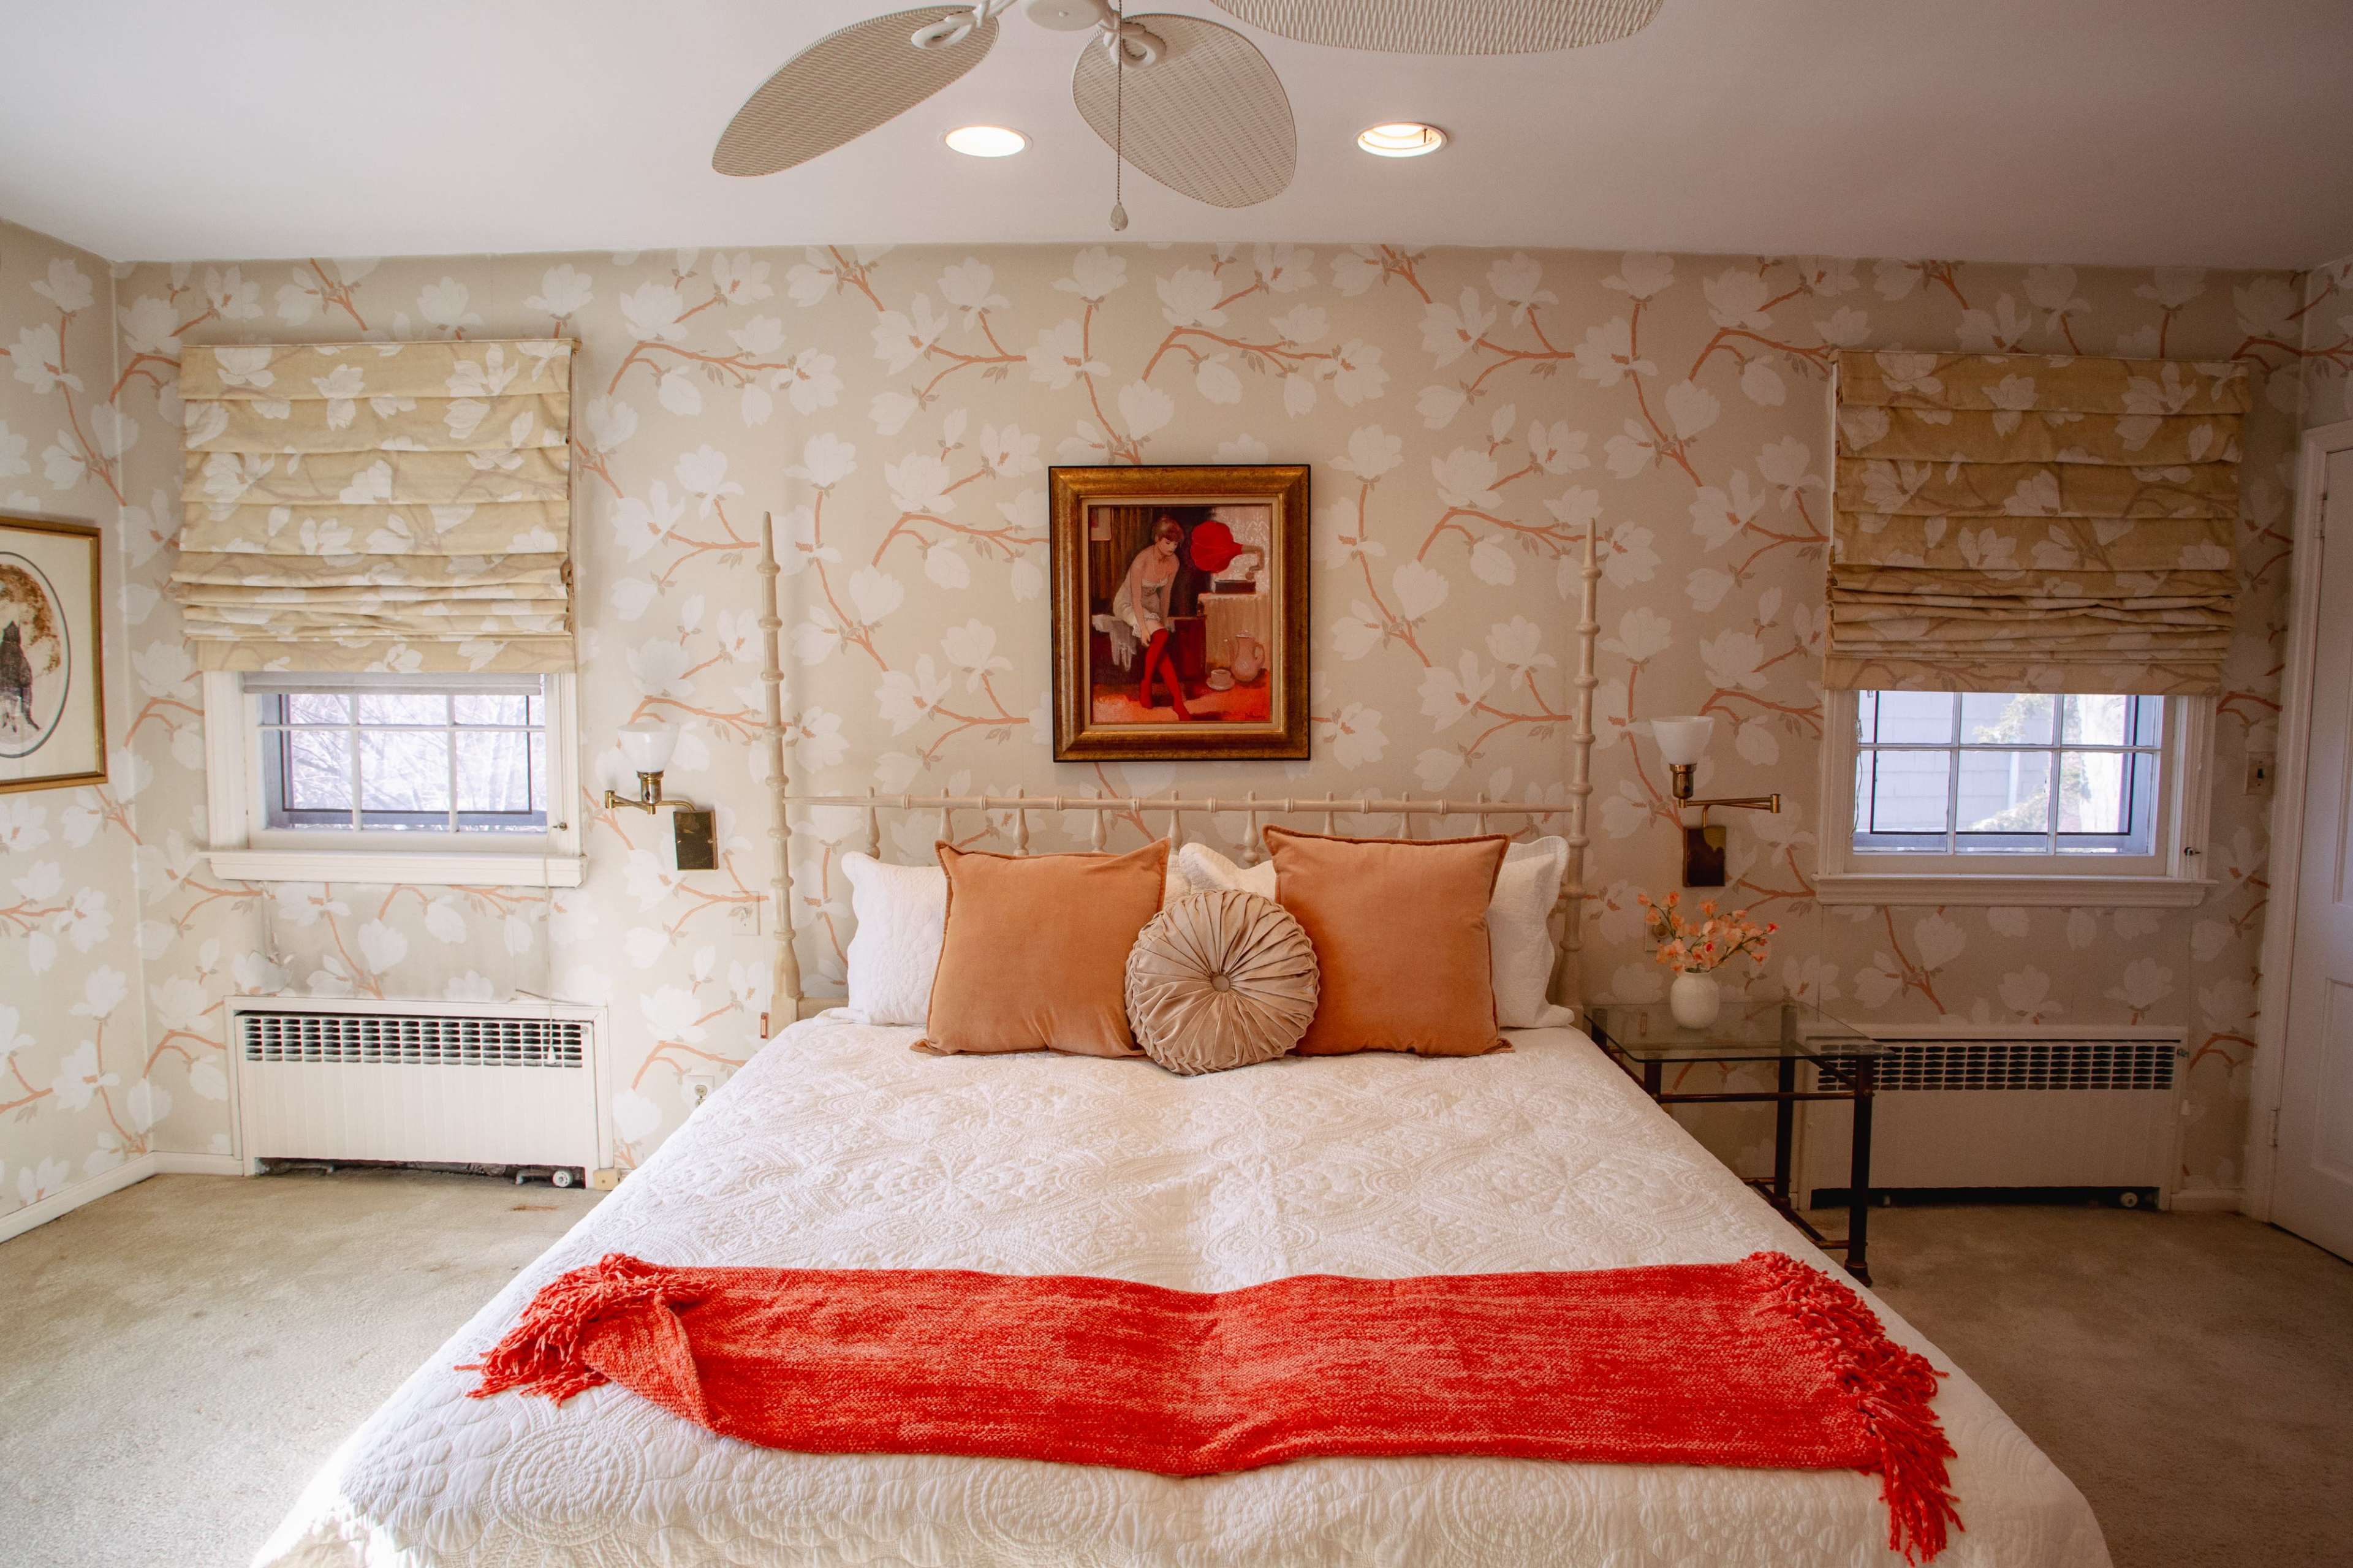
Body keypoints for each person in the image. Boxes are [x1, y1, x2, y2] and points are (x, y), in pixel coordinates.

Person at [1110, 516, 1191, 719]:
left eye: (1175, 543)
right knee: (1160, 638)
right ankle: (1175, 700)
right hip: (1129, 602)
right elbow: (1136, 598)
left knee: (1161, 639)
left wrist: (1162, 621)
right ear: (1157, 539)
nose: (1173, 547)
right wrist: (1145, 629)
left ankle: (1154, 688)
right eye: (1168, 542)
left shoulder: (1174, 562)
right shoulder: (1141, 561)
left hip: (1152, 603)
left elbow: (1165, 595)